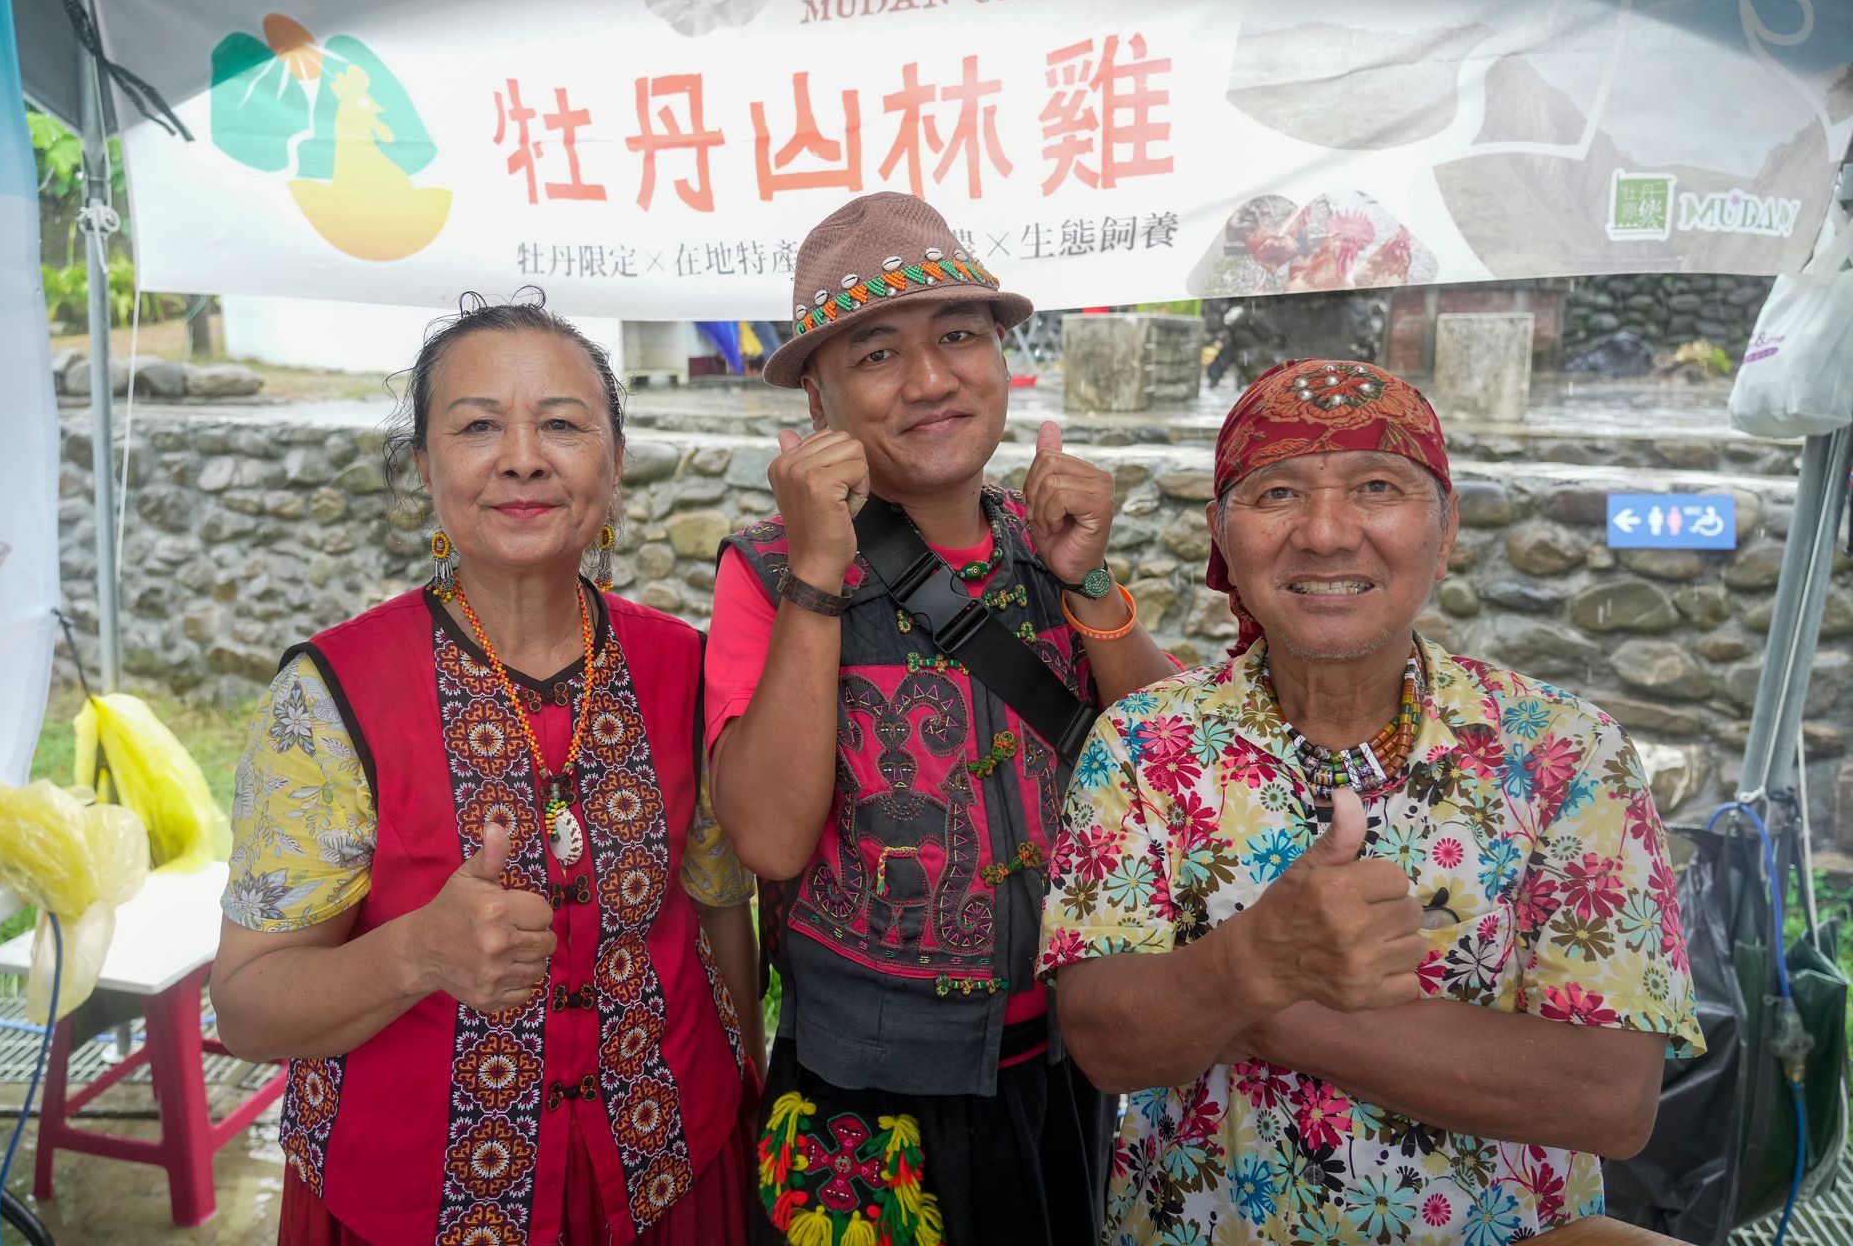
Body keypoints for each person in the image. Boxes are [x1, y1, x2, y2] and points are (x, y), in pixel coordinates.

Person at [1038, 359, 1705, 1246]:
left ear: (1447, 525)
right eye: (1277, 493)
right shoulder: (1146, 747)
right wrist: (1253, 964)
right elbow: (1104, 1040)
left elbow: (1609, 1097)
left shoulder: (1564, 754)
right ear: (1221, 537)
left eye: (1377, 486)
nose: (1324, 533)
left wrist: (1251, 1001)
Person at [212, 294, 763, 1246]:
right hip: (414, 1203)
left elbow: (719, 914)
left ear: (616, 462)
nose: (521, 457)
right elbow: (250, 1007)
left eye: (561, 423)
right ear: (425, 467)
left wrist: (746, 1083)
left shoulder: (683, 667)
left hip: (669, 1177)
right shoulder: (333, 693)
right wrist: (417, 953)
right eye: (477, 427)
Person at [705, 191, 1179, 1245]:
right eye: (876, 354)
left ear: (1005, 359)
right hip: (861, 1091)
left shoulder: (1046, 545)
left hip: (1065, 1065)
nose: (929, 380)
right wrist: (819, 574)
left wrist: (1091, 583)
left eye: (959, 335)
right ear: (819, 402)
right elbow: (769, 836)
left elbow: (1172, 775)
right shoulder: (767, 570)